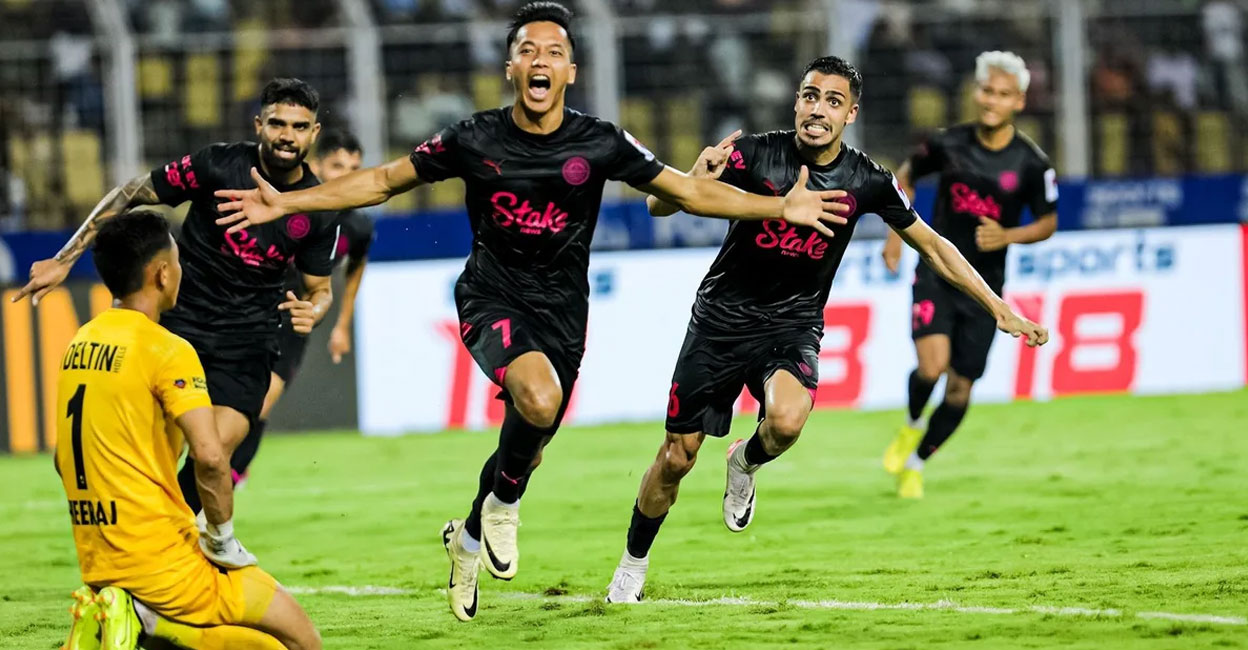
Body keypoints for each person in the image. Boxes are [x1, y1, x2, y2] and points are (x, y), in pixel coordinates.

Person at [210, 1, 850, 622]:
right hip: (490, 297)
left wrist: (777, 207)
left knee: (532, 440)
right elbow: (382, 180)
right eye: (527, 50)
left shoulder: (599, 143)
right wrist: (293, 203)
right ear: (510, 68)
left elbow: (684, 191)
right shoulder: (473, 137)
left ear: (571, 70)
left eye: (555, 52)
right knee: (538, 401)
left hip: (565, 316)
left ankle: (466, 537)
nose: (540, 60)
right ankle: (504, 507)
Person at [604, 56, 1049, 604]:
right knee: (676, 457)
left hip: (792, 322)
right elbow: (657, 207)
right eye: (810, 96)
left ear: (851, 114)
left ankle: (744, 460)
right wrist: (695, 177)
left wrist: (996, 305)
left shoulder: (867, 179)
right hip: (720, 320)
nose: (818, 109)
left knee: (787, 422)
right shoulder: (754, 153)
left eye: (832, 101)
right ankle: (633, 562)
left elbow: (932, 244)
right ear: (797, 102)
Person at [14, 78, 340, 514]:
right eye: (278, 123)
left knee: (213, 452)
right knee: (140, 448)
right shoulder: (218, 166)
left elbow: (321, 289)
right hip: (176, 329)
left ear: (314, 133)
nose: (287, 135)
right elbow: (131, 193)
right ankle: (143, 544)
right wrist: (65, 257)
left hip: (247, 343)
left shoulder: (318, 206)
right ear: (259, 124)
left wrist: (313, 311)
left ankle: (162, 537)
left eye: (300, 127)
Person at [56, 210, 319, 650]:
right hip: (163, 561)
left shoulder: (79, 341)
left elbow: (62, 460)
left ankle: (139, 619)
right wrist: (222, 540)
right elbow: (211, 457)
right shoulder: (167, 349)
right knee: (301, 640)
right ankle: (145, 621)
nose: (182, 271)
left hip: (98, 558)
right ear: (161, 274)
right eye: (178, 261)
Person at [880, 51, 1059, 499]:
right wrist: (895, 235)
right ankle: (911, 424)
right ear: (976, 92)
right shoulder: (946, 143)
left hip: (986, 289)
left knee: (960, 387)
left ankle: (917, 463)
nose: (990, 101)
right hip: (938, 272)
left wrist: (1009, 235)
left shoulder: (1032, 164)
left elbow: (1048, 221)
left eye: (1002, 94)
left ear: (1019, 101)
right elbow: (905, 174)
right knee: (931, 365)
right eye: (985, 91)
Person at [230, 130, 375, 488]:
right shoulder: (285, 206)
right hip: (247, 310)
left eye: (354, 167)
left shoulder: (357, 225)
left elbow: (356, 267)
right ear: (317, 165)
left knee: (260, 405)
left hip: (292, 321)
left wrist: (342, 323)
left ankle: (231, 477)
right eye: (338, 165)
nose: (346, 174)